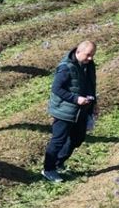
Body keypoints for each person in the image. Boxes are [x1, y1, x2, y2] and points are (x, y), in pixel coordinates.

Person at [42, 41, 98, 182]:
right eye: (88, 55)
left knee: (78, 138)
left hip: (82, 110)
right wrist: (75, 99)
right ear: (78, 52)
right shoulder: (66, 67)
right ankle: (48, 169)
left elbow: (91, 85)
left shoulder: (88, 65)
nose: (90, 58)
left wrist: (94, 104)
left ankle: (58, 162)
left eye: (92, 55)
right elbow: (56, 88)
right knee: (58, 140)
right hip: (65, 110)